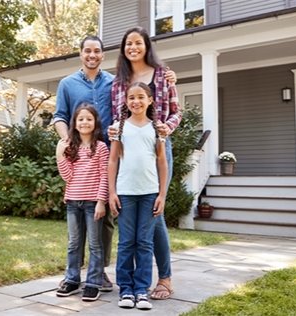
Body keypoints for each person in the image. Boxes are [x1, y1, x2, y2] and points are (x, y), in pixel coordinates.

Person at [53, 35, 177, 292]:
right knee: (101, 212)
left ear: (103, 54)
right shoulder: (81, 83)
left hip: (133, 149)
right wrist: (67, 143)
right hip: (96, 154)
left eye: (97, 51)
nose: (92, 55)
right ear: (80, 53)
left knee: (143, 213)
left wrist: (166, 123)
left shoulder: (123, 80)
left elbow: (165, 109)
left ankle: (156, 277)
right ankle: (88, 274)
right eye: (87, 50)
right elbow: (60, 116)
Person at [110, 26, 181, 300]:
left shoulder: (163, 74)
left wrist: (166, 128)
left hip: (158, 145)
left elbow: (176, 111)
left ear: (146, 46)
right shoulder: (119, 81)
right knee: (136, 227)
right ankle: (134, 282)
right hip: (128, 148)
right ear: (123, 48)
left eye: (138, 43)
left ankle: (164, 278)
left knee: (156, 211)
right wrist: (113, 133)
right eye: (128, 43)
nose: (133, 48)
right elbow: (115, 116)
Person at [108, 82, 168, 310]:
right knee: (125, 243)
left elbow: (162, 162)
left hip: (149, 193)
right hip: (125, 193)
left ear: (150, 100)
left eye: (141, 97)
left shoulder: (157, 129)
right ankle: (126, 289)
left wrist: (162, 194)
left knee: (144, 243)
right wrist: (112, 192)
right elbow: (113, 160)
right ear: (126, 101)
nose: (136, 101)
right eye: (131, 97)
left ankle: (142, 290)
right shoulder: (118, 128)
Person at [55, 104, 109, 301]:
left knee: (95, 244)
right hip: (72, 202)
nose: (84, 122)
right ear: (75, 124)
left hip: (92, 203)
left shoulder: (101, 147)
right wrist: (59, 155)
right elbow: (67, 176)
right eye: (80, 119)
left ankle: (93, 283)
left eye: (88, 119)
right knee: (73, 244)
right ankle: (72, 280)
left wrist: (101, 201)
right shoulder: (71, 147)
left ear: (95, 123)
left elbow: (105, 176)